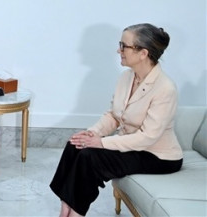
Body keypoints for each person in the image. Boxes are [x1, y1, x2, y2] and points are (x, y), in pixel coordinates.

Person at [50, 23, 182, 217]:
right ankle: (65, 209)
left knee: (90, 157)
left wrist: (101, 143)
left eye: (123, 46)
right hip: (132, 146)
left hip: (157, 156)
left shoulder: (165, 88)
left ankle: (75, 214)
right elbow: (113, 115)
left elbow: (147, 137)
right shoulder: (127, 77)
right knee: (74, 144)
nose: (118, 50)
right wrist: (92, 133)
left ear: (143, 53)